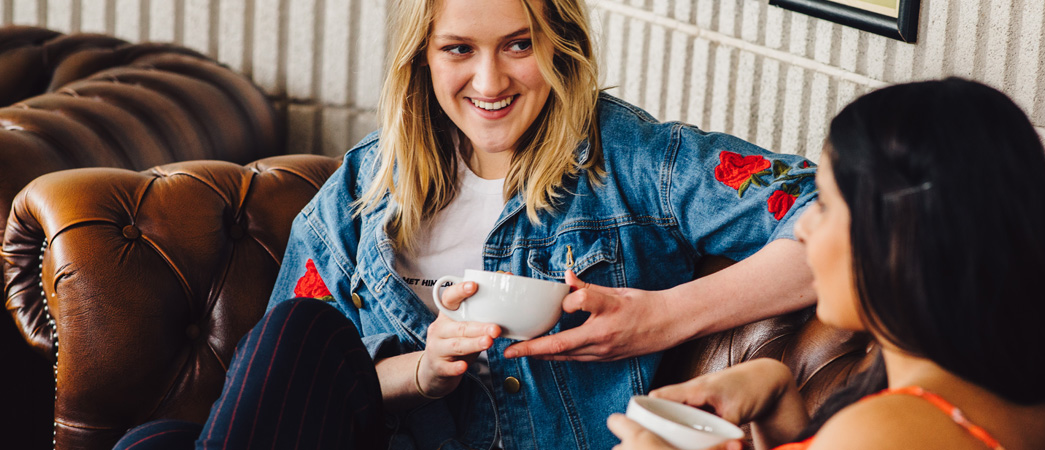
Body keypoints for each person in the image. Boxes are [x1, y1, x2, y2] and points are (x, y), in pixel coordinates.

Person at [116, 0, 818, 448]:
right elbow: (283, 387)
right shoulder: (363, 190)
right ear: (422, 56)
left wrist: (663, 318)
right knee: (156, 439)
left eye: (518, 45)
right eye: (459, 49)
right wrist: (422, 372)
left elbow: (840, 221)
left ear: (560, 45)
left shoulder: (636, 162)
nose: (490, 82)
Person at [608, 78, 1045, 450]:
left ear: (900, 236)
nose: (802, 228)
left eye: (824, 204)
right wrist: (778, 395)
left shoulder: (886, 431)